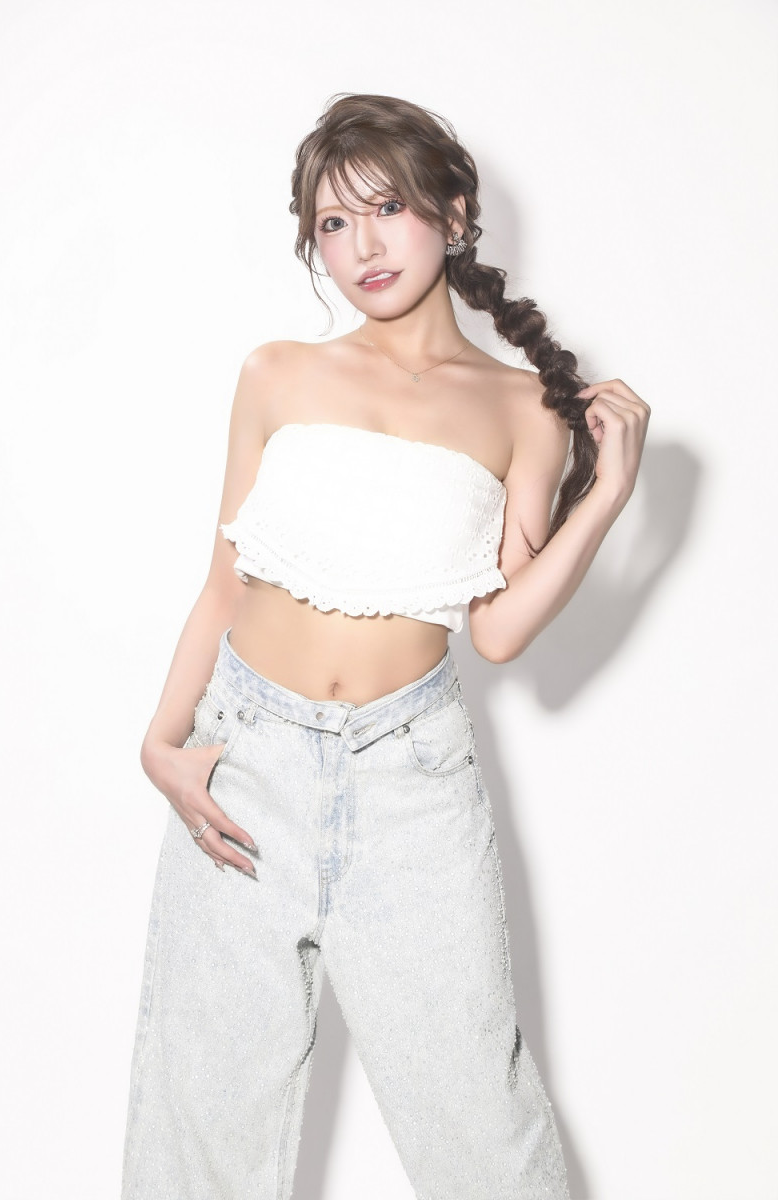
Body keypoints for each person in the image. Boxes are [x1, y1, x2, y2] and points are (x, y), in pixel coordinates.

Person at [121, 93, 650, 1199]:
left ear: (452, 215)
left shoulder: (521, 409)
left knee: (478, 1119)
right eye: (332, 222)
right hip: (244, 760)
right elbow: (224, 581)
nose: (361, 245)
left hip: (411, 779)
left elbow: (498, 629)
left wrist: (604, 500)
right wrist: (161, 745)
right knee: (202, 1117)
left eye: (387, 209)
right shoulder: (277, 374)